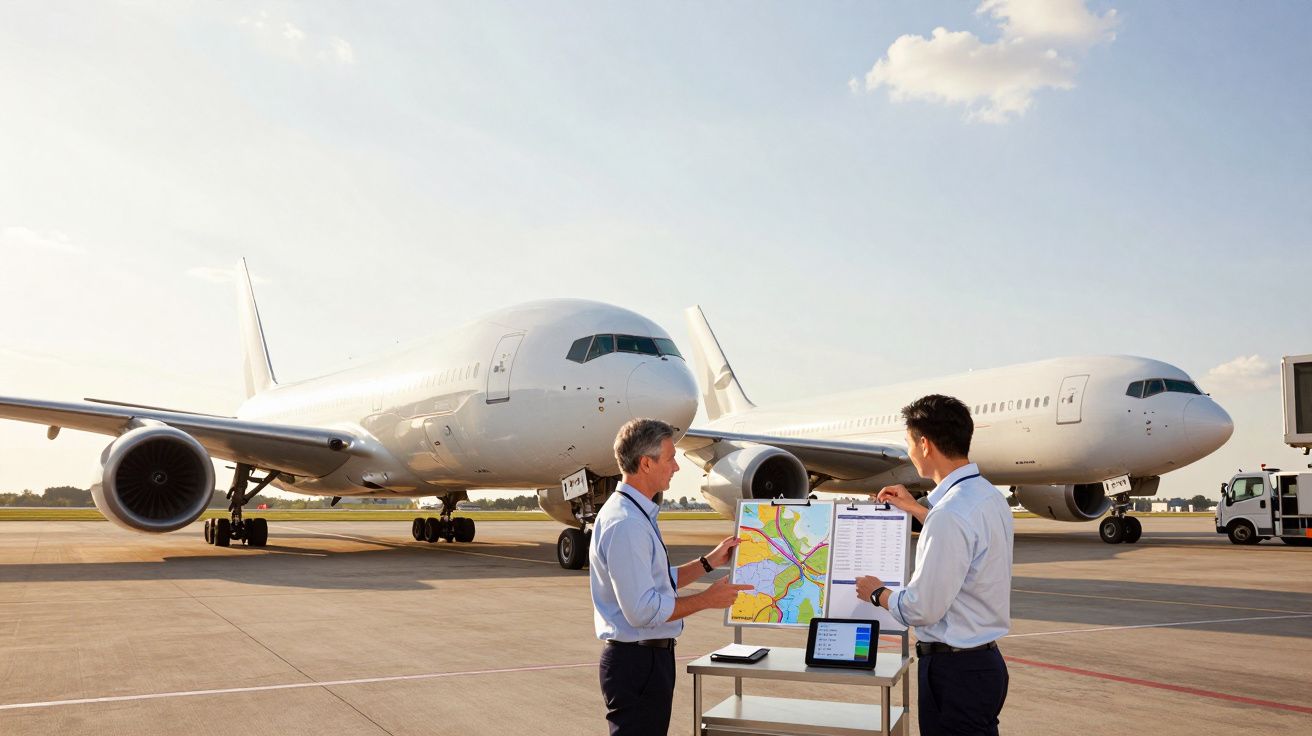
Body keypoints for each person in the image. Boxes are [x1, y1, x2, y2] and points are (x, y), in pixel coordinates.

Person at [855, 394, 1014, 736]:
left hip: (953, 672)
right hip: (983, 666)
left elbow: (921, 609)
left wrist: (876, 593)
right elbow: (966, 537)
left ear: (925, 445)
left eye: (908, 442)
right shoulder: (988, 497)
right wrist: (916, 510)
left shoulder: (949, 515)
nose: (909, 451)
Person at [590, 418, 753, 736]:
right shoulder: (626, 524)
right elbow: (643, 609)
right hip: (638, 661)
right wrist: (708, 600)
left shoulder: (634, 514)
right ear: (646, 463)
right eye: (670, 458)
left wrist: (708, 562)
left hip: (645, 659)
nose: (676, 467)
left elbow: (656, 582)